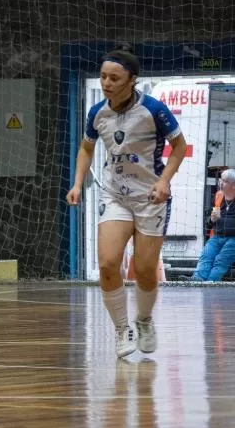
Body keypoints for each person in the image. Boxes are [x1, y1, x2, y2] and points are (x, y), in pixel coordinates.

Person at [66, 46, 186, 358]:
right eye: (103, 76)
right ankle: (122, 330)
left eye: (114, 78)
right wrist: (78, 183)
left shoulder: (154, 110)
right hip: (115, 195)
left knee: (144, 270)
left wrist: (164, 181)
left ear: (131, 80)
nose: (106, 82)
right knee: (107, 263)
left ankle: (144, 320)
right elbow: (86, 149)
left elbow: (179, 146)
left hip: (150, 196)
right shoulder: (97, 113)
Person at [192, 168, 235, 281]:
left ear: (233, 185)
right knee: (206, 256)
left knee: (220, 261)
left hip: (233, 239)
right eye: (221, 180)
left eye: (225, 181)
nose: (221, 183)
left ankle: (209, 284)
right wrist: (212, 219)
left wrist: (220, 219)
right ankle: (196, 281)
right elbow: (213, 221)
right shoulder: (219, 196)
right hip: (217, 236)